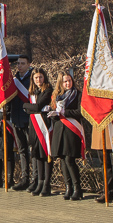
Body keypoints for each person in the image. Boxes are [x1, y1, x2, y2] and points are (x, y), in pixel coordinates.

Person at [48, 72, 85, 200]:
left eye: (69, 81)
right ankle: (68, 187)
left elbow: (80, 112)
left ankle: (77, 188)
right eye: (65, 82)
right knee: (62, 159)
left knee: (70, 159)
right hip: (60, 129)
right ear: (61, 83)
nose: (68, 83)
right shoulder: (57, 96)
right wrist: (53, 113)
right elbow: (55, 114)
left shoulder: (77, 94)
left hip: (72, 129)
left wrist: (65, 112)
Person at [21, 67, 54, 196]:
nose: (38, 80)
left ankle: (47, 184)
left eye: (40, 77)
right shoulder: (33, 92)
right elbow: (34, 109)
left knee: (46, 155)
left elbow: (37, 106)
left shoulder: (48, 90)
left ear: (44, 77)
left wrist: (25, 105)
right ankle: (40, 182)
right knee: (37, 155)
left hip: (44, 126)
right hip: (34, 126)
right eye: (36, 78)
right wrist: (32, 108)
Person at [8, 55, 34, 190]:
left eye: (23, 63)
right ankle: (25, 178)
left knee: (33, 150)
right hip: (16, 119)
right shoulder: (13, 80)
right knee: (22, 150)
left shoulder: (33, 79)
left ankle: (35, 179)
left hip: (29, 120)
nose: (19, 66)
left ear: (29, 64)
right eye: (18, 63)